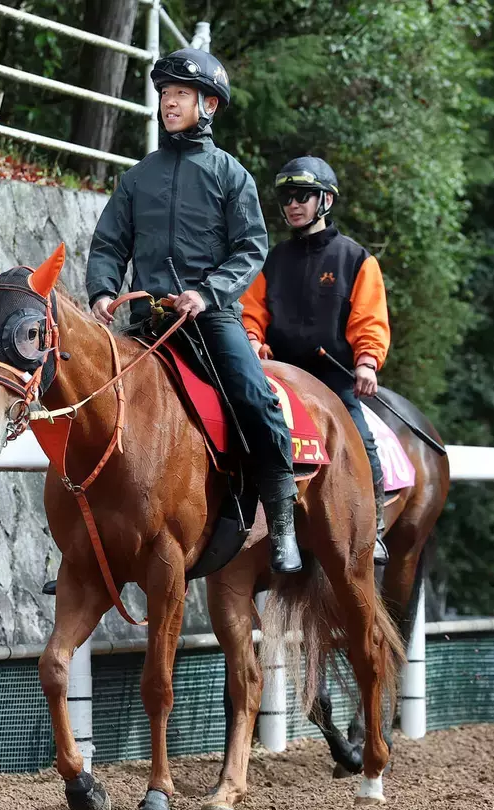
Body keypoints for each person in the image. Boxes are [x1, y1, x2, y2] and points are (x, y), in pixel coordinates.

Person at [85, 48, 302, 575]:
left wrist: (208, 293)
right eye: (165, 94)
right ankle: (86, 540)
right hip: (146, 320)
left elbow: (250, 248)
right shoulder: (137, 178)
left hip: (210, 315)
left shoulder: (231, 175)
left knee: (255, 397)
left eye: (181, 94)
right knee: (90, 403)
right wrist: (102, 292)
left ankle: (282, 525)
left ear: (209, 105)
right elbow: (109, 244)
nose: (169, 103)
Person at [240, 156, 390, 564]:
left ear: (326, 200)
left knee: (362, 441)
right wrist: (251, 339)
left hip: (333, 377)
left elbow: (369, 319)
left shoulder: (356, 259)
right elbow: (252, 313)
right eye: (287, 197)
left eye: (302, 196)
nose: (293, 204)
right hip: (279, 376)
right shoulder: (272, 259)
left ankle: (373, 527)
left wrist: (367, 362)